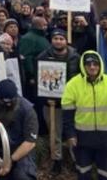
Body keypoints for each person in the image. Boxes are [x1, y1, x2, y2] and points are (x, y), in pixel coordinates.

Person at [62, 51, 107, 180]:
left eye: (95, 64)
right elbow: (67, 113)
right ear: (83, 66)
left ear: (100, 65)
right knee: (83, 173)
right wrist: (70, 134)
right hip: (82, 138)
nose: (92, 67)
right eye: (88, 64)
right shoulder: (73, 84)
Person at [34, 29, 80, 174]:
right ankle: (57, 160)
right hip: (51, 103)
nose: (58, 41)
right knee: (55, 133)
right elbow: (38, 79)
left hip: (72, 102)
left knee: (73, 132)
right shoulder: (43, 56)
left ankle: (77, 160)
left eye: (61, 38)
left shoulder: (75, 57)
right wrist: (45, 96)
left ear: (66, 41)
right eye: (56, 38)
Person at [18, 17, 50, 104]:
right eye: (45, 25)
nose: (46, 27)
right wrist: (32, 75)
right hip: (34, 78)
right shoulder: (28, 39)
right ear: (39, 25)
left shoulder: (42, 37)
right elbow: (26, 58)